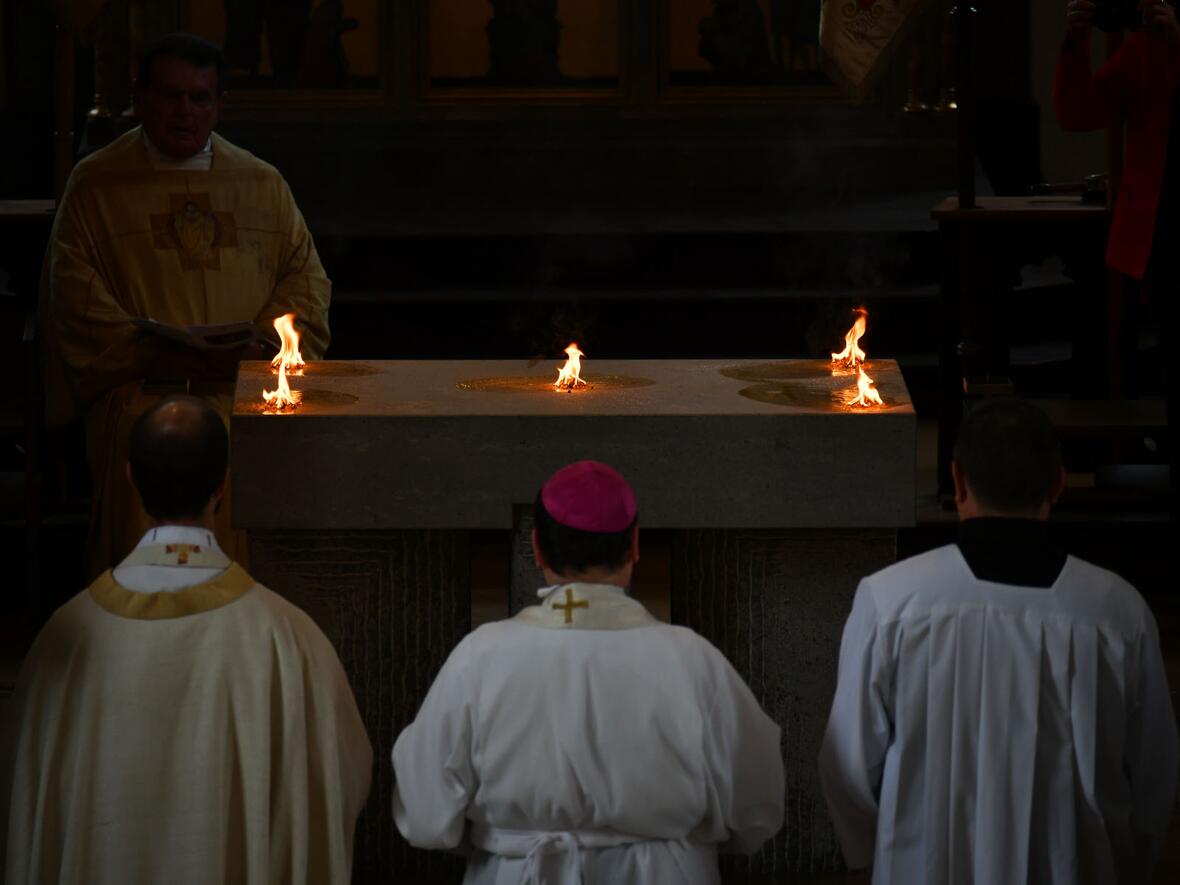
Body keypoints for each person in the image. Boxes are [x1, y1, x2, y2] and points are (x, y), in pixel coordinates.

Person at [0, 396, 371, 884]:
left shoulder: (64, 639)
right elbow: (344, 776)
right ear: (223, 484)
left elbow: (25, 795)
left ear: (130, 479)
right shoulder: (289, 639)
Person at [818, 398, 1178, 884]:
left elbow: (849, 762)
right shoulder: (1118, 612)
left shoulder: (891, 602)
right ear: (1058, 484)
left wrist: (867, 855)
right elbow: (1154, 775)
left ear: (958, 481)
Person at [392, 460, 784, 885]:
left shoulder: (480, 657)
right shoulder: (693, 660)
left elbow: (427, 812)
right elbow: (755, 804)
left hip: (519, 870)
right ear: (635, 546)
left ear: (537, 548)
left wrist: (504, 838)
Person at [43, 31, 331, 578]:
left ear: (220, 105)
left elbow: (306, 283)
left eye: (200, 98)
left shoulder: (261, 183)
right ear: (141, 96)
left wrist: (262, 349)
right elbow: (74, 297)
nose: (185, 111)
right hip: (142, 396)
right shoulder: (98, 184)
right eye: (170, 96)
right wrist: (156, 355)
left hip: (241, 396)